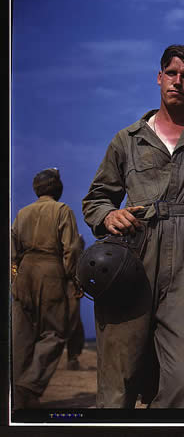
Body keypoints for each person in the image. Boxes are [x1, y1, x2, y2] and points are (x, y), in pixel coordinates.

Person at [81, 44, 184, 408]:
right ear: (159, 78)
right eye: (171, 74)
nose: (178, 82)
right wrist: (109, 216)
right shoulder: (127, 140)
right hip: (132, 254)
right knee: (118, 374)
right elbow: (96, 199)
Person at [11, 168, 82, 409]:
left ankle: (19, 395)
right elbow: (71, 249)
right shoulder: (62, 211)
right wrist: (74, 279)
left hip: (24, 272)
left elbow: (12, 253)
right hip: (51, 270)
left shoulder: (22, 213)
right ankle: (29, 384)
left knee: (21, 335)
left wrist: (15, 278)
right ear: (57, 188)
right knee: (55, 331)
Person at [66, 234, 86, 371]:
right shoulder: (75, 240)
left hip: (67, 284)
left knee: (73, 322)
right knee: (72, 322)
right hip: (68, 284)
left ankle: (72, 357)